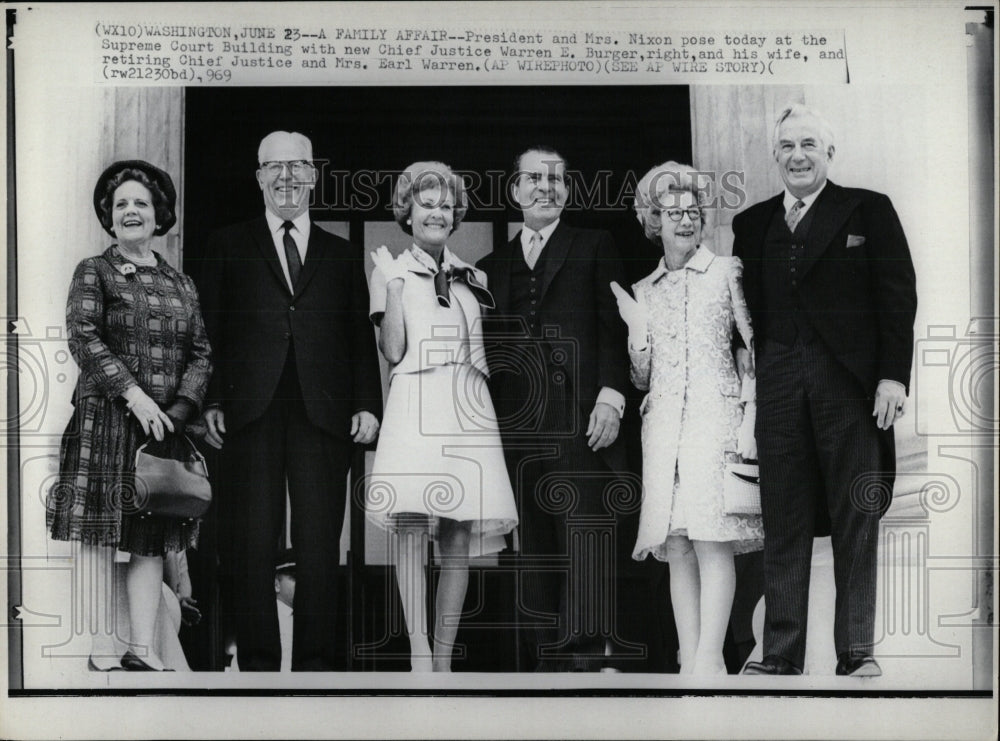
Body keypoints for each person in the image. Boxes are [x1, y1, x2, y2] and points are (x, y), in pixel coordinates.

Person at [736, 104, 917, 677]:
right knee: (783, 516)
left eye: (808, 144)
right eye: (787, 146)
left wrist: (892, 375)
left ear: (829, 153)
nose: (797, 156)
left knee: (855, 515)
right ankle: (781, 654)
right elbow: (741, 312)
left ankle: (856, 650)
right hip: (779, 383)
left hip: (850, 386)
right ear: (775, 156)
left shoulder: (868, 208)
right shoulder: (752, 223)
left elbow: (897, 297)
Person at [195, 131, 383, 671]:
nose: (286, 178)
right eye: (274, 168)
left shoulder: (343, 253)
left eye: (297, 167)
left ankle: (317, 670)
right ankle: (257, 667)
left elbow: (357, 337)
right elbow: (210, 330)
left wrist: (368, 403)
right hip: (246, 412)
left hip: (323, 414)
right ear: (258, 177)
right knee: (251, 543)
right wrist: (210, 396)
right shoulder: (229, 243)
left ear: (314, 175)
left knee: (320, 545)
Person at [46, 160, 212, 672]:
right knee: (98, 533)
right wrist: (135, 396)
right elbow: (83, 335)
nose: (131, 211)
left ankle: (143, 648)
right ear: (109, 217)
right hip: (104, 421)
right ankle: (100, 647)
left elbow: (201, 353)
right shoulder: (93, 271)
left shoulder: (180, 283)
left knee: (152, 536)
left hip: (160, 431)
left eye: (141, 203)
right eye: (121, 205)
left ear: (159, 213)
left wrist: (179, 411)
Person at [478, 146, 629, 672]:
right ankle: (545, 667)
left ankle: (585, 663)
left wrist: (612, 396)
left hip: (581, 421)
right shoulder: (488, 268)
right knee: (535, 546)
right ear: (515, 191)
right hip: (517, 427)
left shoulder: (595, 245)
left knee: (585, 538)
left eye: (558, 179)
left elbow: (615, 328)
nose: (547, 187)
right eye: (535, 179)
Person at [611, 162, 763, 676]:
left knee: (710, 540)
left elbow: (754, 351)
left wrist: (750, 417)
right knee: (676, 545)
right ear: (653, 221)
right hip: (663, 430)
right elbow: (641, 377)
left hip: (715, 420)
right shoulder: (645, 289)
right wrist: (637, 333)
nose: (684, 221)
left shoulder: (727, 271)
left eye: (692, 211)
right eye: (671, 212)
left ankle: (708, 660)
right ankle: (690, 661)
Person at [367, 161, 517, 672]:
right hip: (415, 402)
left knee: (457, 534)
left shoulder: (474, 277)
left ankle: (445, 662)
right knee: (411, 526)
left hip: (466, 406)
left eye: (445, 205)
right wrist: (389, 288)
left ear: (456, 217)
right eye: (425, 203)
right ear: (407, 212)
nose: (436, 212)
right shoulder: (390, 271)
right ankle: (418, 652)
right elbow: (393, 351)